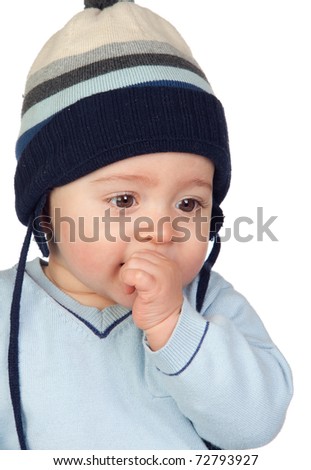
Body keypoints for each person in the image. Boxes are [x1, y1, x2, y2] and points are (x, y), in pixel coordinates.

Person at [0, 0, 292, 450]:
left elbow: (255, 424)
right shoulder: (6, 311)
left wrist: (176, 327)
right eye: (123, 199)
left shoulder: (209, 303)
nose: (161, 230)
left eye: (190, 203)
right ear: (45, 209)